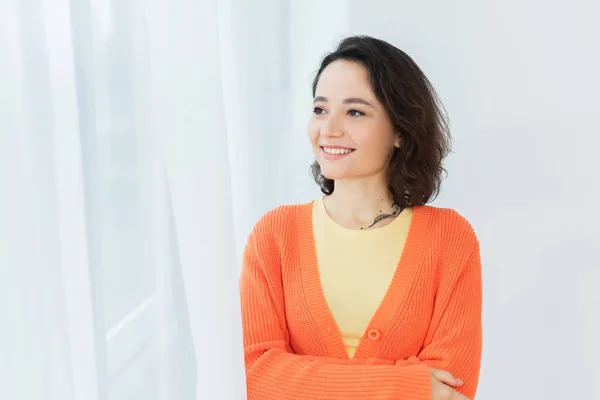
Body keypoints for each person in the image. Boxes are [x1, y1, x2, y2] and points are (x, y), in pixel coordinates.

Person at [239, 35, 482, 400]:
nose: (329, 129)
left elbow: (453, 388)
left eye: (355, 112)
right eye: (320, 109)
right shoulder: (275, 235)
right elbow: (258, 377)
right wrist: (409, 385)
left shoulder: (449, 238)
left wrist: (306, 382)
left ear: (400, 130)